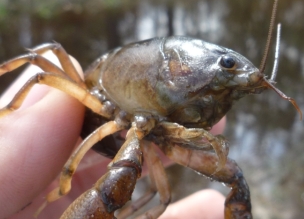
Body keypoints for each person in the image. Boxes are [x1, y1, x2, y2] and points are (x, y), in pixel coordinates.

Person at [0, 55, 225, 219]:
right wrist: (8, 111)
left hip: (119, 132)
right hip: (96, 105)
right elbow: (40, 74)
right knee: (45, 60)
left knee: (161, 195)